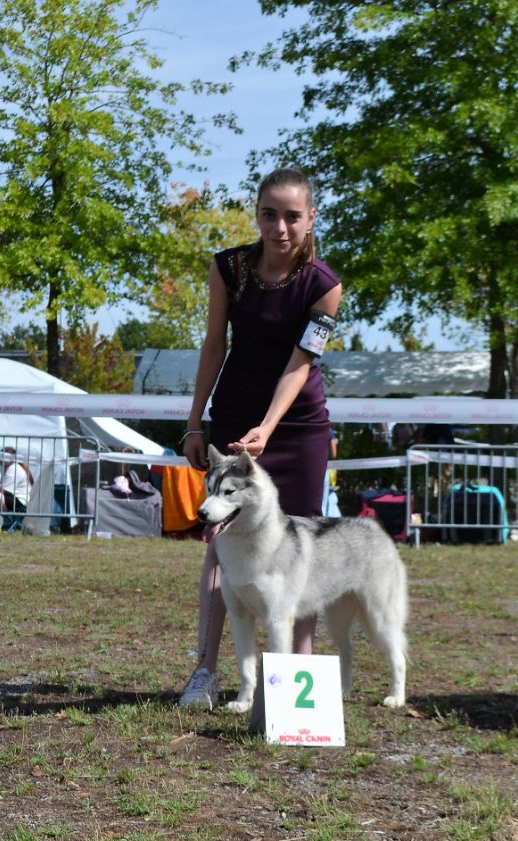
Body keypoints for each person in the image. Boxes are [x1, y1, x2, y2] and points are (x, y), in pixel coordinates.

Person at [178, 166, 343, 709]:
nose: (280, 227)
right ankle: (205, 672)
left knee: (302, 552)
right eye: (269, 214)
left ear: (310, 217)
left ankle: (295, 681)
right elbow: (212, 344)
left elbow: (301, 363)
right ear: (257, 214)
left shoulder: (324, 285)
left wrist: (268, 429)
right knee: (221, 548)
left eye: (292, 216)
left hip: (296, 426)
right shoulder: (229, 267)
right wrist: (196, 421)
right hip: (233, 414)